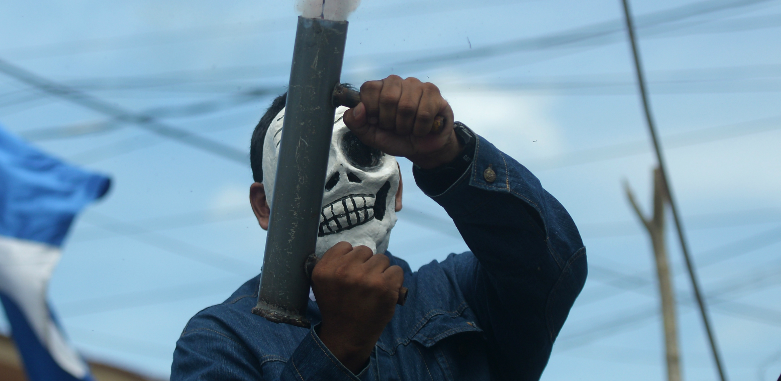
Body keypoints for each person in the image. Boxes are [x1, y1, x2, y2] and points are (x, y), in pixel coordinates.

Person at [171, 75, 587, 380]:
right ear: (265, 207)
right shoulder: (223, 340)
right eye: (307, 170)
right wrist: (339, 347)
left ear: (397, 185)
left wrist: (448, 154)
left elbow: (550, 265)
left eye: (360, 155)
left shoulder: (460, 296)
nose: (342, 180)